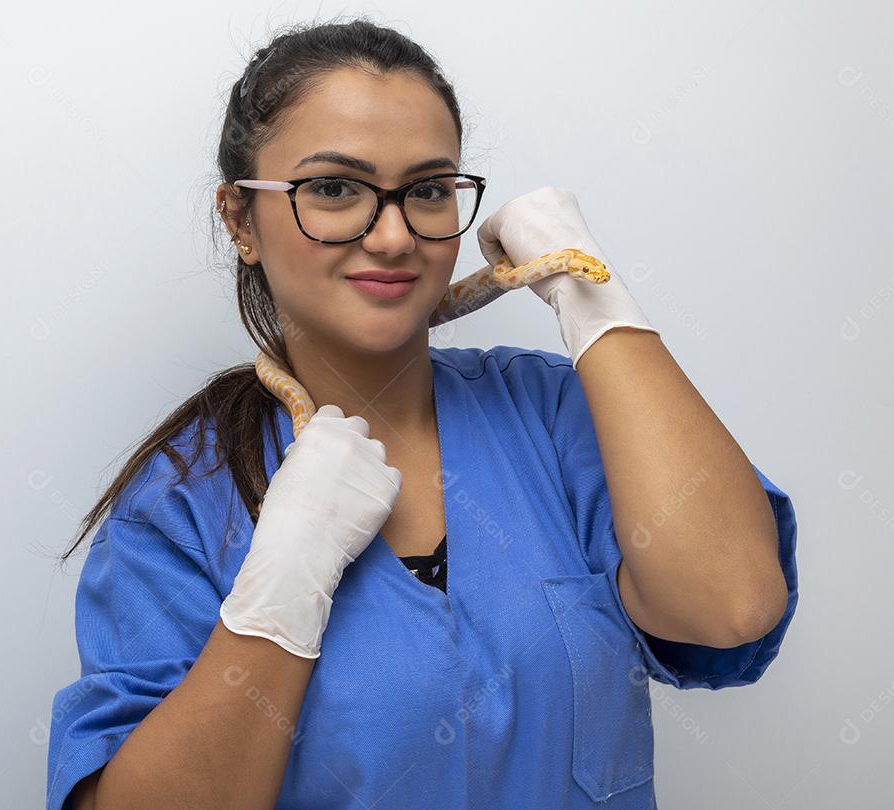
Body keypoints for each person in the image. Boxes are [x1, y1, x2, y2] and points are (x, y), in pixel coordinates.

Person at [46, 16, 799, 810]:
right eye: (335, 189)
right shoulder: (184, 502)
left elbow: (731, 607)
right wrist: (279, 593)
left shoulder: (554, 413)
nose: (396, 235)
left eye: (430, 190)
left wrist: (595, 295)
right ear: (241, 220)